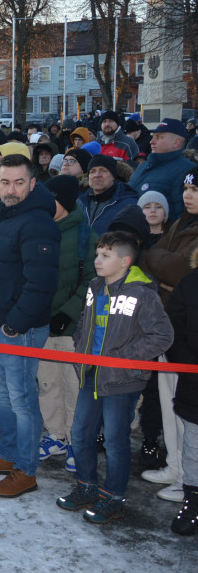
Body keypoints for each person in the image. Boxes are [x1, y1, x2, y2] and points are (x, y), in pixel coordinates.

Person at [56, 231, 173, 523]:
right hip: (91, 374)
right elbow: (84, 324)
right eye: (97, 253)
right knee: (81, 433)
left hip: (121, 380)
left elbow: (162, 335)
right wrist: (81, 344)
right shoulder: (95, 287)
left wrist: (124, 357)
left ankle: (114, 497)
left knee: (115, 440)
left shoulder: (143, 292)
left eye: (105, 255)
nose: (97, 260)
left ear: (125, 261)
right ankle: (86, 485)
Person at [0, 152, 61, 497]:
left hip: (16, 329)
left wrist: (15, 325)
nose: (11, 189)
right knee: (5, 396)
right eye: (5, 181)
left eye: (19, 182)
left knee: (22, 400)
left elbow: (41, 283)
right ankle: (7, 455)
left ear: (32, 183)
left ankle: (26, 469)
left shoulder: (37, 222)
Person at [138, 168, 198, 501]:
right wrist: (163, 265)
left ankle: (190, 477)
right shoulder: (180, 224)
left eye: (196, 189)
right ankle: (176, 467)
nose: (189, 194)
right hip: (167, 324)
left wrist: (162, 265)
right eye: (187, 187)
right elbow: (154, 257)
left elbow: (176, 268)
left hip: (190, 333)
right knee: (169, 405)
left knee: (189, 413)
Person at [34, 175, 98, 474]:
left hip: (72, 328)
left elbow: (91, 282)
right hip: (42, 321)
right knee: (48, 383)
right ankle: (55, 435)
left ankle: (76, 440)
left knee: (74, 385)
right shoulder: (39, 228)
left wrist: (68, 313)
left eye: (53, 197)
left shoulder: (86, 236)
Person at [165, 244, 198, 535]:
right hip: (195, 381)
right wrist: (188, 362)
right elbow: (172, 327)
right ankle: (193, 503)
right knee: (194, 447)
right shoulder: (190, 283)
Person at [128, 119, 195, 221]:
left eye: (159, 137)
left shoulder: (187, 171)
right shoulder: (143, 166)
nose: (151, 142)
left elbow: (183, 217)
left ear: (176, 142)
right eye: (153, 136)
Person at [77, 154, 138, 236]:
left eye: (103, 170)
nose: (97, 175)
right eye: (92, 171)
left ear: (113, 176)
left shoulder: (128, 204)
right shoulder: (80, 202)